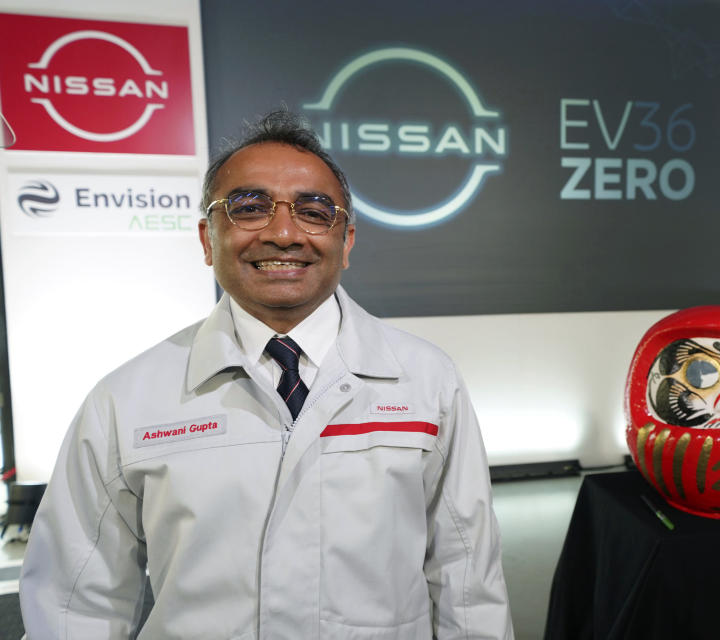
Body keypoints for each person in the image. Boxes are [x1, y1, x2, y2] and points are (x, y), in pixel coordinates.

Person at [19, 110, 514, 639]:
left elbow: (467, 580)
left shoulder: (426, 380)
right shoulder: (125, 401)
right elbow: (76, 606)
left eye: (314, 211)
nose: (282, 232)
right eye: (249, 208)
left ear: (346, 242)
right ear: (208, 240)